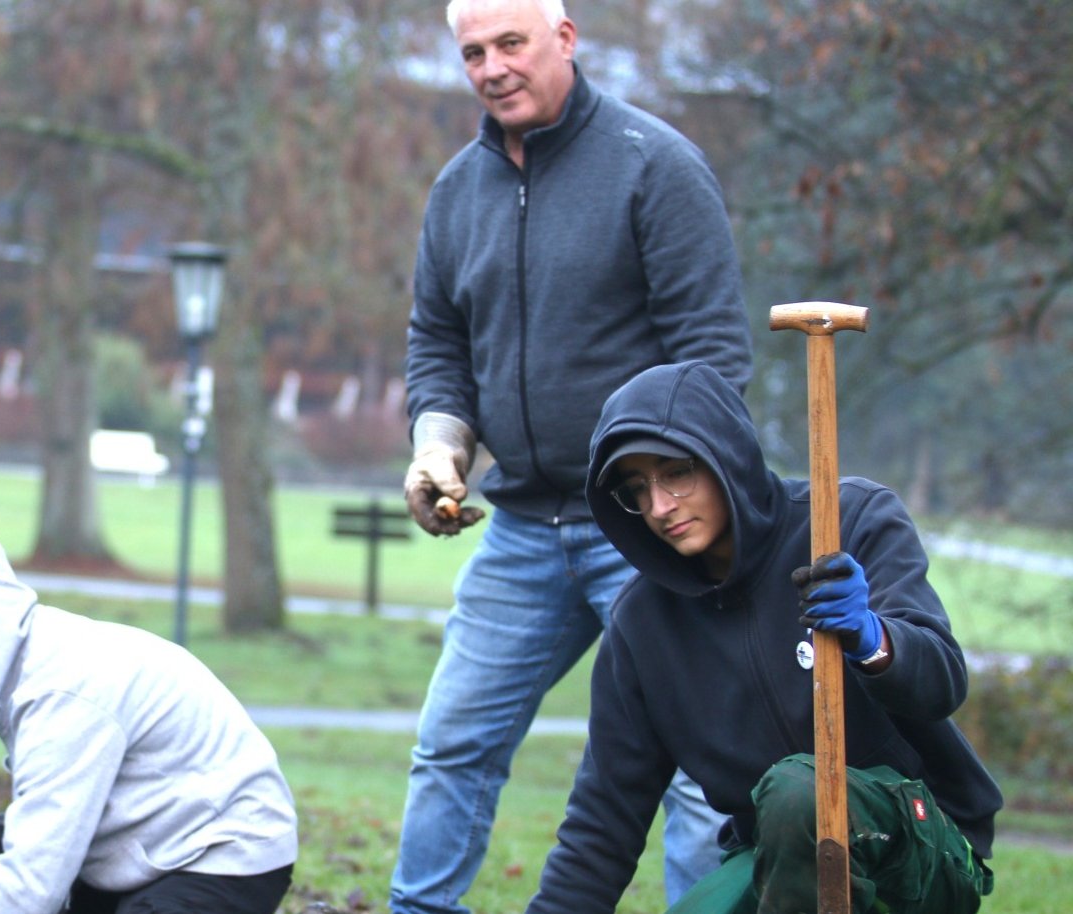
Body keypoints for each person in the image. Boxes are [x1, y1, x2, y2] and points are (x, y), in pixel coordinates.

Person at [394, 0, 755, 910]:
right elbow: (438, 343)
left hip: (643, 530)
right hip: (519, 531)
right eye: (472, 51)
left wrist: (667, 496)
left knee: (693, 771)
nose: (492, 67)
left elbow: (712, 360)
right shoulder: (456, 191)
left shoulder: (655, 166)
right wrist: (439, 447)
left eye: (511, 43)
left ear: (566, 40)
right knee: (451, 745)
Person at [525, 359, 1000, 912]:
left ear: (725, 455)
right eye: (636, 488)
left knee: (801, 793)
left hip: (924, 839)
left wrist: (872, 638)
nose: (658, 507)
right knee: (782, 818)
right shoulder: (640, 625)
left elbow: (942, 683)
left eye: (676, 472)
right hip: (777, 852)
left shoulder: (849, 519)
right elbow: (604, 821)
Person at [0, 524, 299, 914]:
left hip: (225, 853)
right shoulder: (36, 653)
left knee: (24, 867)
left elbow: (34, 882)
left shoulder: (63, 694)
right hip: (154, 840)